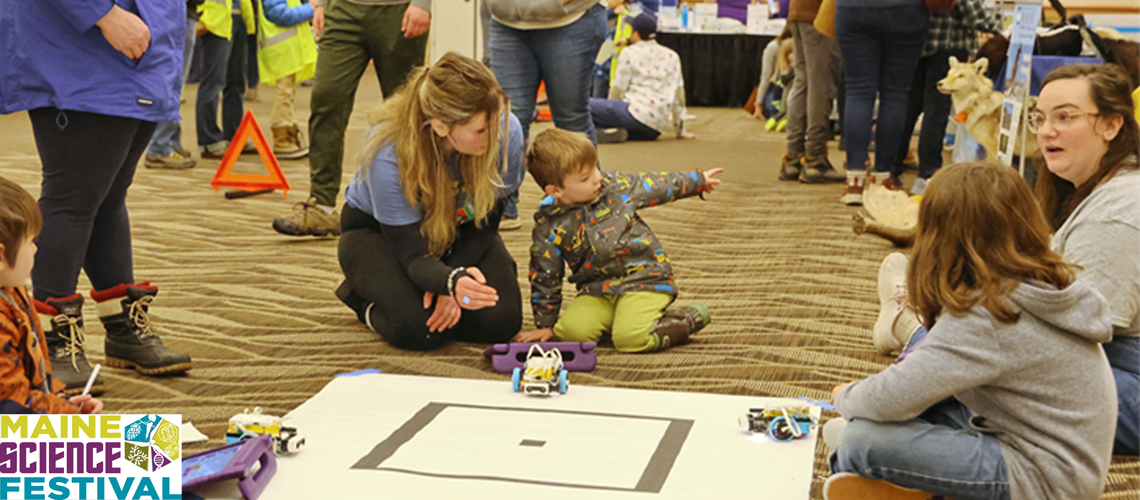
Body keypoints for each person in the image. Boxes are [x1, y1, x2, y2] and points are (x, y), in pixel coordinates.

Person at [873, 63, 1139, 457]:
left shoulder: (1115, 213)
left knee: (980, 363)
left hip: (1125, 385)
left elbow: (1086, 330)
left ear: (1111, 125)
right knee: (977, 350)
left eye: (1065, 117)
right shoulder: (1095, 189)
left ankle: (911, 330)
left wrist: (974, 332)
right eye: (1040, 117)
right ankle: (917, 339)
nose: (1046, 130)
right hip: (1110, 368)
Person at [825, 162, 1116, 500]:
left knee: (861, 440)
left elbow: (891, 398)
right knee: (915, 407)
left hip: (1044, 481)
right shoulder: (1029, 285)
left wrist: (844, 395)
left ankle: (911, 489)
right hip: (1053, 456)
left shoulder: (988, 315)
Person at [1, 0, 196, 391]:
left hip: (141, 48)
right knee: (73, 196)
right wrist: (102, 14)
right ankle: (52, 341)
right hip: (84, 44)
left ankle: (122, 327)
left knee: (107, 196)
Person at [335, 53, 525, 351]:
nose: (497, 135)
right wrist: (448, 282)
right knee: (418, 331)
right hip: (379, 234)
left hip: (460, 229)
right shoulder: (388, 151)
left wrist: (451, 280)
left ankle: (411, 295)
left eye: (498, 120)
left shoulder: (507, 132)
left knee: (502, 323)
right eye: (481, 130)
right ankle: (359, 296)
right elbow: (414, 256)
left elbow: (486, 224)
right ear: (440, 127)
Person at [513, 128, 721, 351]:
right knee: (571, 335)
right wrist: (545, 324)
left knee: (631, 339)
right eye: (585, 177)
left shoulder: (615, 187)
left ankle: (687, 317)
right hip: (597, 289)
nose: (598, 178)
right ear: (555, 190)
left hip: (644, 279)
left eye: (595, 168)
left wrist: (696, 181)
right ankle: (624, 318)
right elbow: (545, 276)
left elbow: (655, 184)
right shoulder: (548, 226)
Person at [271, 0, 431, 237]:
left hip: (397, 9)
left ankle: (415, 204)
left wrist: (423, 3)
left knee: (405, 110)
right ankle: (322, 204)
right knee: (326, 99)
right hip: (341, 10)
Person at [484, 0, 608, 230]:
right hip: (506, 22)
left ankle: (591, 203)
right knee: (508, 119)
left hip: (571, 20)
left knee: (571, 120)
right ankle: (503, 206)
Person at [0, 177, 104, 415]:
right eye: (30, 241)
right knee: (149, 441)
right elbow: (11, 406)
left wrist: (59, 401)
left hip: (25, 426)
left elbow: (32, 369)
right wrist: (64, 413)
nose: (36, 248)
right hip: (13, 435)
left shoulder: (12, 290)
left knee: (154, 438)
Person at [896, 0, 1001, 196]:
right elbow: (979, 18)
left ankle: (892, 170)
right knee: (936, 111)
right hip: (947, 44)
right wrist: (995, 22)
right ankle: (927, 174)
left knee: (908, 106)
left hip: (912, 43)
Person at [835, 0, 926, 204]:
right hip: (905, 9)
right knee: (896, 94)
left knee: (858, 91)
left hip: (853, 9)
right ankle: (884, 177)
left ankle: (855, 181)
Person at [588, 13, 694, 143]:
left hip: (633, 113)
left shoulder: (629, 53)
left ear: (635, 34)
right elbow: (679, 96)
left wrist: (610, 107)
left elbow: (618, 88)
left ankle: (598, 132)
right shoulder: (672, 56)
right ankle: (612, 132)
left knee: (582, 104)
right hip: (655, 128)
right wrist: (681, 130)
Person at [778, 0, 844, 184]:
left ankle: (794, 156)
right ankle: (815, 158)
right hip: (819, 12)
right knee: (820, 85)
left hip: (798, 10)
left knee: (803, 82)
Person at [144, 0, 205, 170]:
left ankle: (170, 141)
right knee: (170, 83)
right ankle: (159, 147)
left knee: (176, 85)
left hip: (184, 13)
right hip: (174, 15)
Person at [257, 0, 319, 159]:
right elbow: (280, 14)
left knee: (288, 94)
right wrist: (310, 9)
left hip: (287, 50)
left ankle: (289, 136)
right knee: (284, 95)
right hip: (282, 50)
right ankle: (282, 140)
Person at [196, 0, 257, 158]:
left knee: (237, 82)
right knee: (213, 82)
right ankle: (209, 140)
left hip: (239, 18)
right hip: (215, 21)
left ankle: (235, 135)